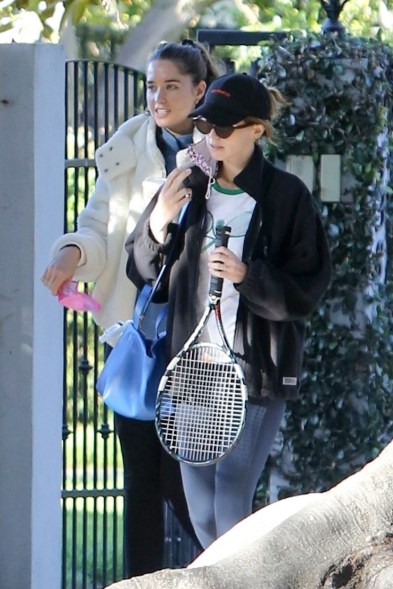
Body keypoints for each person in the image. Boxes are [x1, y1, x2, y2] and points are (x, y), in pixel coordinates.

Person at [125, 72, 332, 550]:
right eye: (204, 128)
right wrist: (157, 224)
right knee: (199, 508)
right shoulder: (187, 187)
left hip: (255, 369)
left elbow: (308, 287)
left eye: (222, 129)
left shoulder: (286, 197)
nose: (210, 139)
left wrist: (247, 275)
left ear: (255, 130)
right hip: (193, 367)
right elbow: (144, 273)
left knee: (231, 500)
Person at [41, 40, 220, 576]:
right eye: (151, 86)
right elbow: (99, 227)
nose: (158, 98)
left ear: (199, 91)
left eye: (171, 86)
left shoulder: (224, 147)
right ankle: (140, 582)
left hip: (201, 341)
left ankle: (234, 570)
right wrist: (72, 252)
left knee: (186, 479)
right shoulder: (128, 147)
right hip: (137, 337)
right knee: (141, 479)